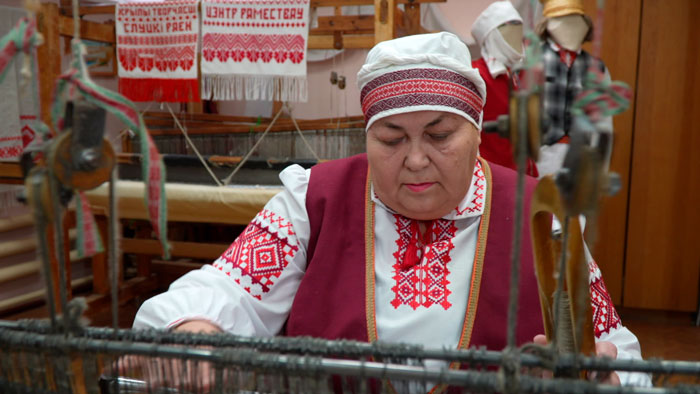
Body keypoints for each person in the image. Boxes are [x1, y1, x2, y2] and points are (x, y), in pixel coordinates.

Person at [133, 31, 649, 388]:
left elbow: (614, 352)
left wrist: (601, 376)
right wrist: (192, 328)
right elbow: (224, 289)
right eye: (391, 138)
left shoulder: (542, 216)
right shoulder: (313, 201)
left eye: (440, 135)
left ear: (476, 136)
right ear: (366, 137)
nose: (416, 160)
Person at [470, 1, 538, 176]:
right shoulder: (476, 75)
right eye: (508, 34)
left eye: (518, 33)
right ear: (492, 38)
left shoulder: (522, 75)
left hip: (526, 173)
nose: (516, 40)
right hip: (493, 176)